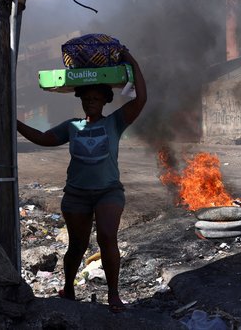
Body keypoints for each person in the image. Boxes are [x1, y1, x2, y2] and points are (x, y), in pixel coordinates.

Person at [16, 51, 146, 313]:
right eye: (87, 99)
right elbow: (43, 138)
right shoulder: (72, 126)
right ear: (81, 101)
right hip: (76, 194)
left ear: (105, 101)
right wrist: (13, 122)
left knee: (108, 237)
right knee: (77, 245)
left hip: (109, 191)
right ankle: (69, 287)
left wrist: (131, 59)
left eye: (96, 99)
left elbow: (141, 98)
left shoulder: (115, 123)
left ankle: (113, 294)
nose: (91, 103)